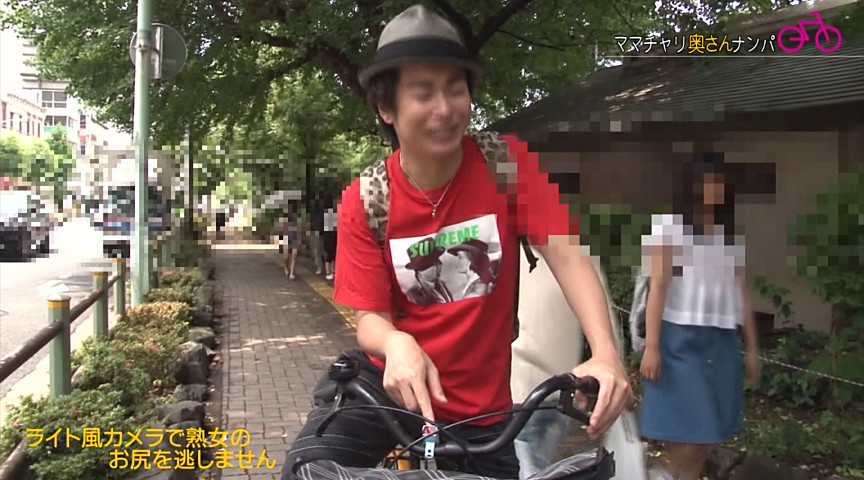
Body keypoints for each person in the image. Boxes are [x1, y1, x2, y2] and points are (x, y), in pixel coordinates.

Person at [281, 5, 631, 479]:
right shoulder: (365, 200)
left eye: (455, 88)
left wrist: (606, 353)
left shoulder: (506, 165)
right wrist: (396, 342)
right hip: (390, 392)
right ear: (387, 108)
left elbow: (567, 255)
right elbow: (370, 319)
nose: (444, 109)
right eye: (423, 93)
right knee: (307, 468)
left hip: (482, 415)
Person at [639, 153, 760, 480]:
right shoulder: (668, 227)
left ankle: (670, 476)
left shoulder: (729, 236)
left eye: (720, 181)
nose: (715, 188)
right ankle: (659, 475)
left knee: (707, 435)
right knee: (688, 433)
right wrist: (653, 346)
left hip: (721, 341)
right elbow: (658, 285)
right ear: (691, 185)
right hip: (679, 339)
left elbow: (741, 293)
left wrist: (752, 348)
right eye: (708, 181)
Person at [510, 245, 621, 479]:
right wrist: (614, 365)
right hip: (555, 391)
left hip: (522, 390)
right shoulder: (576, 254)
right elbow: (606, 319)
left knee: (527, 466)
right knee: (533, 466)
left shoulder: (505, 247)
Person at [281, 205, 301, 280]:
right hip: (286, 239)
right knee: (286, 257)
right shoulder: (284, 220)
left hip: (295, 238)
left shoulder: (297, 219)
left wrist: (300, 239)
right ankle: (285, 266)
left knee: (294, 255)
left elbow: (299, 230)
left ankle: (292, 273)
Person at [310, 199, 326, 275]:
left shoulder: (314, 214)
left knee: (318, 251)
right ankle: (322, 267)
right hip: (321, 233)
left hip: (319, 233)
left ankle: (320, 267)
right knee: (319, 251)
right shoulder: (323, 214)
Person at [322, 201, 337, 281]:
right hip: (332, 237)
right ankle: (331, 271)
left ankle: (329, 271)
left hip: (328, 237)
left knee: (330, 255)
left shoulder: (325, 214)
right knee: (332, 255)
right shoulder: (333, 214)